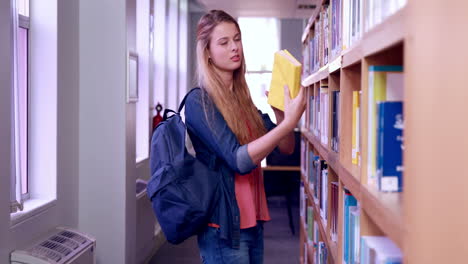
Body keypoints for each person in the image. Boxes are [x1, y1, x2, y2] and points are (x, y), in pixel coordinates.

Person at [184, 10, 306, 264]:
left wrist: (281, 115)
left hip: (253, 223)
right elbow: (237, 160)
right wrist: (289, 124)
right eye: (224, 42)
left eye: (237, 39)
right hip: (223, 228)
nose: (234, 47)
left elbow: (286, 148)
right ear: (207, 52)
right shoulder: (200, 102)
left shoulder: (244, 102)